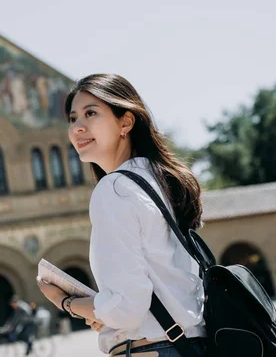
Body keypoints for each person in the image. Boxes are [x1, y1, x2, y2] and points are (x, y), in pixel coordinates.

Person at [36, 74, 208, 356]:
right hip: (190, 344)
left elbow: (128, 309)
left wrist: (66, 303)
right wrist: (106, 308)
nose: (78, 127)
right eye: (72, 118)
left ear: (125, 122)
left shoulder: (114, 189)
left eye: (91, 113)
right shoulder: (157, 181)